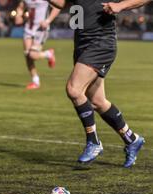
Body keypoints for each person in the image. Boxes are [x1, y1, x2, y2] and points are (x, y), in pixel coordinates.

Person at [47, 0, 145, 167]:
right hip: (81, 44)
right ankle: (132, 139)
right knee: (98, 102)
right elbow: (63, 3)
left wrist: (120, 6)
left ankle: (93, 142)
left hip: (100, 43)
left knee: (74, 89)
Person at [14, 0, 60, 89]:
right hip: (28, 28)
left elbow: (57, 7)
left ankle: (49, 54)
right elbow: (21, 6)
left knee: (33, 55)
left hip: (41, 29)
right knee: (27, 55)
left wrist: (48, 20)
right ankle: (35, 81)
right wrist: (18, 15)